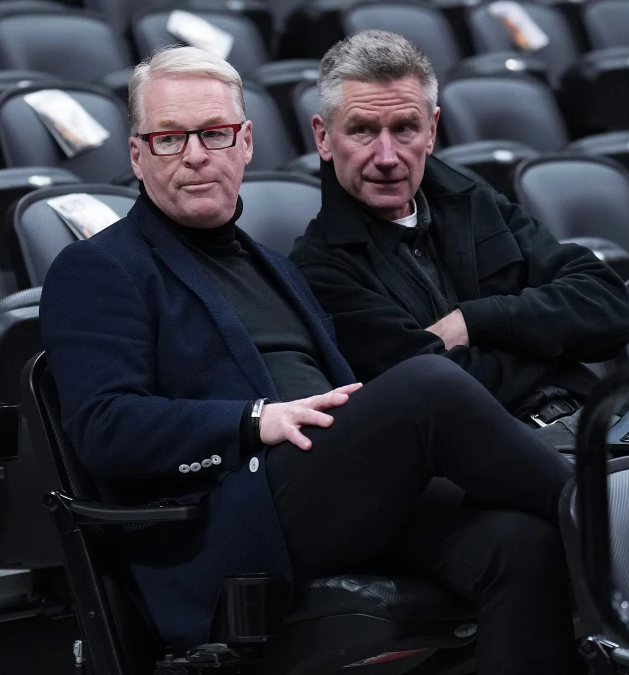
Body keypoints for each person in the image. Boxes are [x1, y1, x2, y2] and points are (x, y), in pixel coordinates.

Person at [41, 46, 585, 675]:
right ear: (137, 155)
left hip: (333, 493)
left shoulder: (275, 265)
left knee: (524, 545)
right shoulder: (99, 268)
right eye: (168, 138)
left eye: (214, 133)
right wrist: (252, 419)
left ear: (245, 143)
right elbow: (103, 429)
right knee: (429, 384)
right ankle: (610, 526)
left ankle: (584, 524)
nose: (194, 155)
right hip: (234, 517)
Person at [289, 30, 629, 517]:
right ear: (325, 137)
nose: (387, 156)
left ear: (432, 130)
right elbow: (445, 394)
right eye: (363, 130)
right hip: (507, 460)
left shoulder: (473, 201)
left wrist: (476, 321)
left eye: (405, 129)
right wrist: (549, 341)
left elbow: (606, 307)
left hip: (606, 420)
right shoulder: (318, 267)